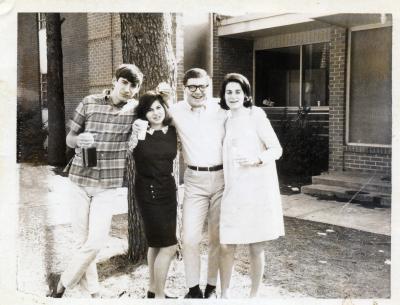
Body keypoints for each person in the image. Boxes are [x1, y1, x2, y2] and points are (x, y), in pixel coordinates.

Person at [47, 64, 143, 298]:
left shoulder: (135, 111)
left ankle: (63, 284)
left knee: (96, 241)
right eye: (125, 83)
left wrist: (139, 133)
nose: (128, 89)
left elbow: (134, 144)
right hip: (79, 180)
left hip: (107, 185)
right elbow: (69, 139)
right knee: (82, 242)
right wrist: (79, 139)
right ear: (114, 81)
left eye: (134, 85)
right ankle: (94, 291)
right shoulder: (89, 101)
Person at [218, 73, 284, 298]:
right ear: (223, 95)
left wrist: (257, 159)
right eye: (229, 92)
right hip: (233, 191)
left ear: (246, 95)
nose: (233, 96)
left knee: (256, 247)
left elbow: (276, 149)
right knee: (227, 245)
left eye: (238, 92)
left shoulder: (256, 115)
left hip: (256, 190)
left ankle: (253, 297)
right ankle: (224, 295)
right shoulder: (224, 119)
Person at [165, 68, 227, 298]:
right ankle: (193, 288)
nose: (198, 91)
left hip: (222, 179)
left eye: (202, 86)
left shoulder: (223, 108)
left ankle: (211, 286)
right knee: (189, 238)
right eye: (192, 86)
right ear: (184, 88)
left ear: (209, 87)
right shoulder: (175, 111)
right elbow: (152, 116)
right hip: (194, 180)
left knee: (216, 238)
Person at [127, 91, 178, 299]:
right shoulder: (139, 130)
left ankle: (152, 289)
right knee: (169, 246)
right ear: (143, 114)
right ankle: (159, 297)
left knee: (157, 243)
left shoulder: (173, 130)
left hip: (168, 190)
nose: (155, 112)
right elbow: (130, 150)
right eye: (149, 109)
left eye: (158, 107)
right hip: (147, 191)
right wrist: (135, 132)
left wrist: (168, 98)